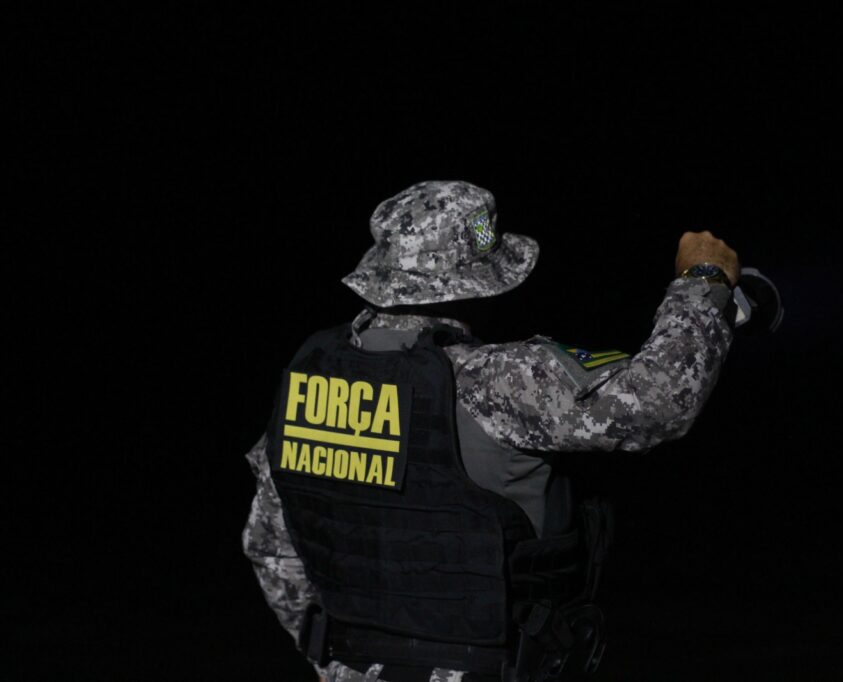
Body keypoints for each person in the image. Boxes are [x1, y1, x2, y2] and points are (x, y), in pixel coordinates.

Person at [242, 180, 739, 682]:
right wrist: (703, 281)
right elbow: (661, 399)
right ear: (480, 286)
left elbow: (270, 550)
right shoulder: (491, 381)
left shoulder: (310, 376)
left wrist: (340, 663)